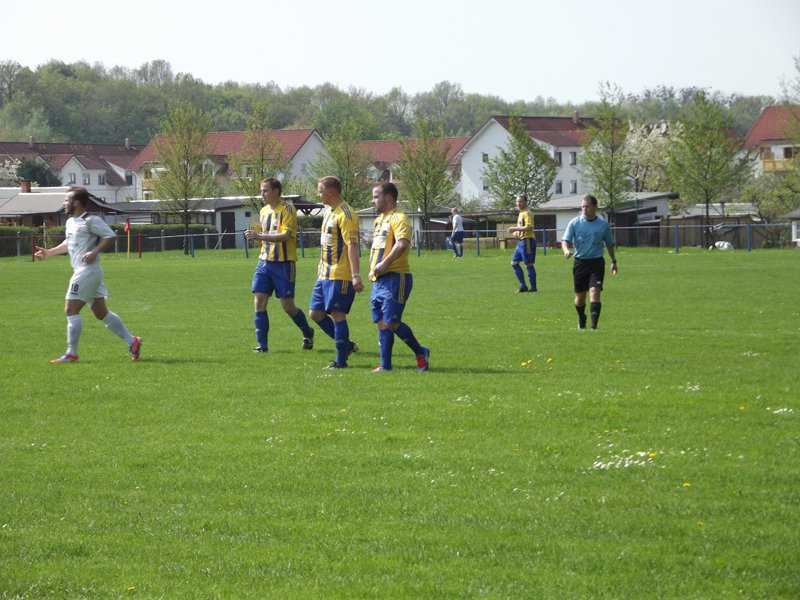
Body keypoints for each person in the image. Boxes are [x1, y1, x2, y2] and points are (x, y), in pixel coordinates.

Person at [34, 187, 141, 363]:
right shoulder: (70, 222)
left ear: (76, 202)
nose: (64, 203)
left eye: (66, 200)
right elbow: (68, 243)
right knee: (101, 313)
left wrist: (94, 251)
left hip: (88, 271)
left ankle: (71, 353)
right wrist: (49, 253)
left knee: (70, 309)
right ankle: (132, 341)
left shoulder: (90, 220)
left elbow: (111, 236)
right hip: (84, 271)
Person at [244, 177, 315, 353]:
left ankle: (308, 332)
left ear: (276, 191)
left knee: (288, 306)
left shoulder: (288, 209)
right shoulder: (263, 211)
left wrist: (259, 236)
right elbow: (267, 237)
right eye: (261, 191)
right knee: (259, 301)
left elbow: (285, 236)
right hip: (264, 263)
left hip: (284, 265)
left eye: (265, 190)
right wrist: (261, 243)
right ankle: (263, 346)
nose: (262, 194)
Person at [367, 182, 430, 373]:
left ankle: (421, 353)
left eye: (376, 196)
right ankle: (385, 366)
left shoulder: (399, 218)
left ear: (387, 197)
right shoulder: (379, 220)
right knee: (381, 322)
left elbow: (403, 244)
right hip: (379, 279)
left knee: (392, 322)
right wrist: (373, 269)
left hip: (396, 277)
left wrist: (384, 264)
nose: (373, 200)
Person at [308, 176, 363, 369]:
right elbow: (327, 243)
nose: (318, 194)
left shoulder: (347, 214)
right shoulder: (328, 212)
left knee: (337, 316)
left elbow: (352, 245)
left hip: (340, 274)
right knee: (315, 313)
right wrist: (319, 264)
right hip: (324, 274)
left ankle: (341, 361)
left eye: (320, 190)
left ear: (331, 192)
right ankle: (346, 345)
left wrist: (355, 275)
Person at [561, 195, 618, 329]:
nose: (584, 210)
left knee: (595, 292)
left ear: (595, 207)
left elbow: (609, 244)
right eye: (583, 207)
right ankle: (582, 317)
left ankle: (594, 327)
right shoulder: (575, 223)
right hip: (580, 263)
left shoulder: (603, 225)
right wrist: (566, 251)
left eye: (587, 207)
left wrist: (613, 261)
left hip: (596, 263)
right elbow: (565, 240)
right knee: (580, 298)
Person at [506, 194, 537, 292]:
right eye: (517, 202)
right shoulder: (521, 213)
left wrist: (515, 228)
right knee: (514, 263)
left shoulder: (527, 213)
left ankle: (533, 288)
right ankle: (523, 286)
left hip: (527, 241)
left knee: (528, 264)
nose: (519, 203)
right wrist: (517, 233)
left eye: (521, 201)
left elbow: (529, 227)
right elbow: (523, 228)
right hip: (521, 241)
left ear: (525, 202)